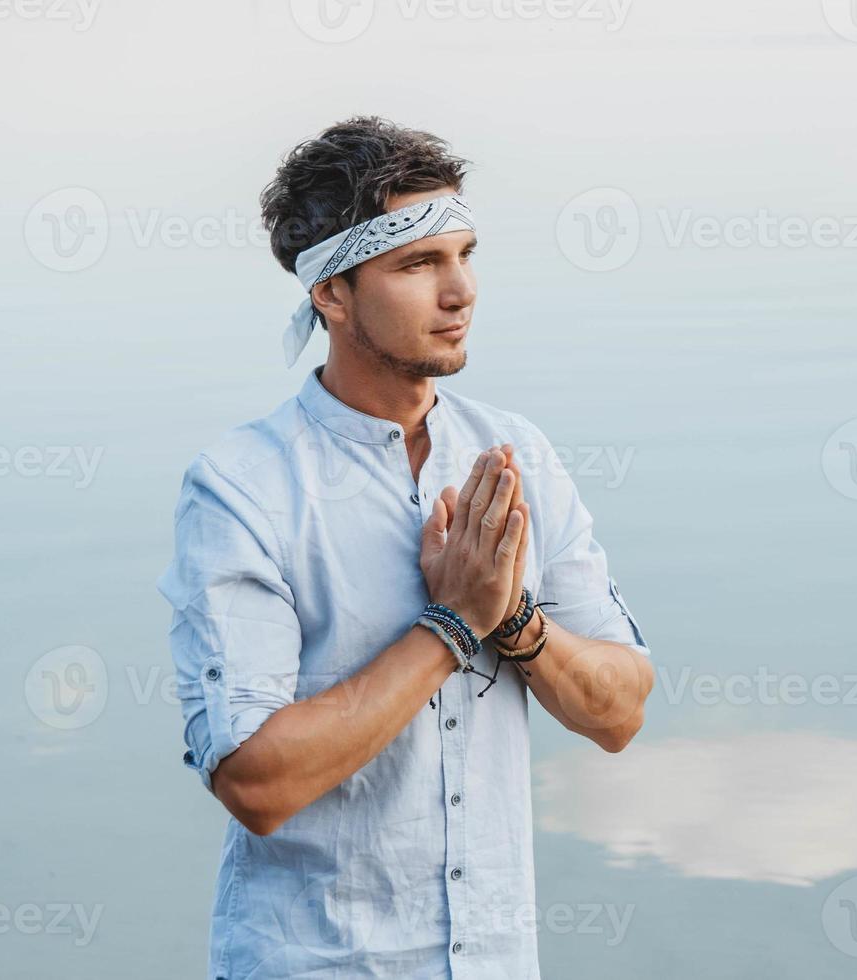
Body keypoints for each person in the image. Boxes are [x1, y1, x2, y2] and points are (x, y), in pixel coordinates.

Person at [157, 116, 653, 979]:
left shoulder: (516, 452)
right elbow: (255, 785)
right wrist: (453, 625)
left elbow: (619, 712)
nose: (460, 292)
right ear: (331, 293)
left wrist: (515, 622)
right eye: (419, 265)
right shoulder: (241, 487)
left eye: (465, 255)